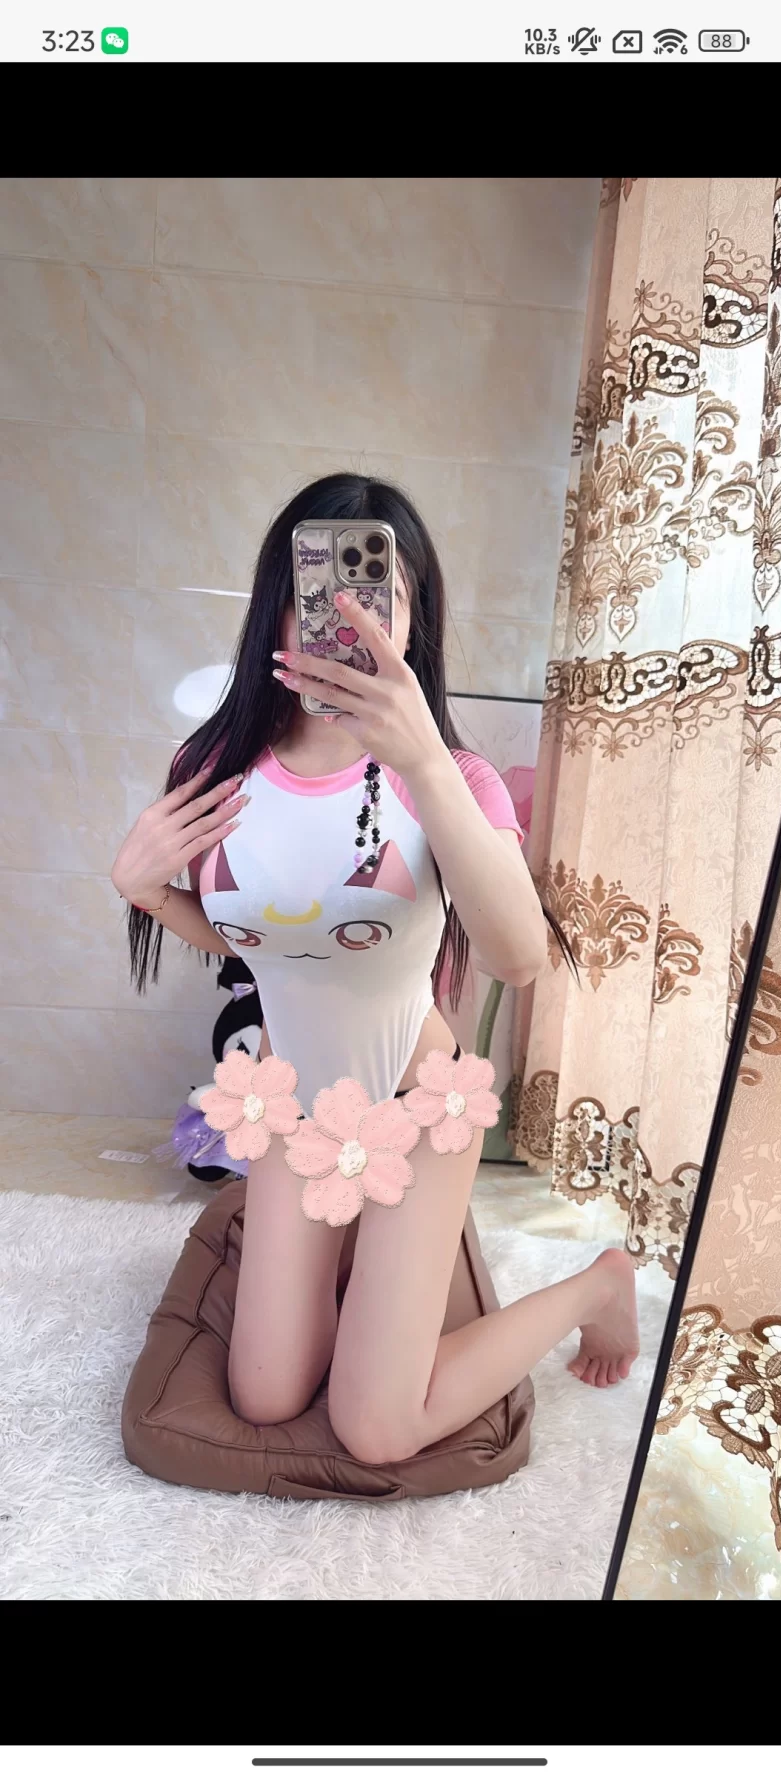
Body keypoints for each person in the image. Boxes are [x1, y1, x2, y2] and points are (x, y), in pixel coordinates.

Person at [111, 474, 639, 1467]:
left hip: (414, 1105)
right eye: (320, 589)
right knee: (263, 1393)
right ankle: (360, 1257)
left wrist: (427, 766)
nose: (347, 616)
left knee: (376, 1426)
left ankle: (595, 1287)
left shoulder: (451, 777)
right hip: (287, 1104)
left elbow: (518, 956)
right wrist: (146, 892)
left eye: (378, 594)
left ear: (413, 617)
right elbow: (254, 938)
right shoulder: (211, 769)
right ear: (278, 604)